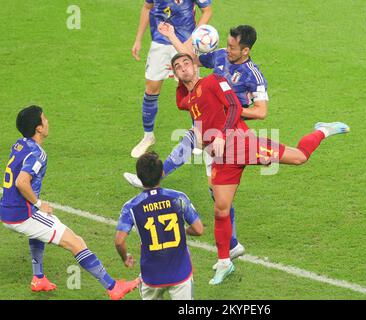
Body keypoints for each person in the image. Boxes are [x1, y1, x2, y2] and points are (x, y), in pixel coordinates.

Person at [170, 53, 350, 285]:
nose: (184, 68)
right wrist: (177, 83)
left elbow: (234, 105)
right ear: (175, 73)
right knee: (220, 210)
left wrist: (223, 136)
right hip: (223, 159)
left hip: (241, 143)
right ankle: (225, 262)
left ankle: (324, 130)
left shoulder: (213, 80)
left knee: (299, 158)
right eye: (178, 67)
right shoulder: (190, 99)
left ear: (195, 66)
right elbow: (179, 102)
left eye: (187, 63)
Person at [124, 25, 267, 263]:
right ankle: (232, 245)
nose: (227, 49)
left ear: (245, 50)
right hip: (209, 127)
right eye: (227, 44)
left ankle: (149, 179)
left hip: (228, 133)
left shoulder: (253, 74)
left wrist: (227, 107)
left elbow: (261, 112)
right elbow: (191, 61)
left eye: (232, 46)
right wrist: (171, 37)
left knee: (216, 188)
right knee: (213, 186)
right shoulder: (221, 55)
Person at [0, 105, 140, 300]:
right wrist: (39, 203)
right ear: (38, 128)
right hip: (22, 214)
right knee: (76, 242)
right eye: (44, 118)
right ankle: (113, 287)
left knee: (42, 226)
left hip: (9, 209)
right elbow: (21, 182)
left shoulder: (19, 144)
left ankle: (38, 278)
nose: (47, 121)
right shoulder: (38, 153)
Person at [115, 151, 204, 300]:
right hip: (180, 273)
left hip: (152, 277)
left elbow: (119, 241)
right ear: (162, 173)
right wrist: (184, 230)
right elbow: (199, 229)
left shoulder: (131, 206)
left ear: (139, 177)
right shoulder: (178, 198)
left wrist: (125, 257)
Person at [130, 0, 213, 158]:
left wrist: (192, 38)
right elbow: (147, 7)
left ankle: (198, 135)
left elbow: (207, 11)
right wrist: (138, 39)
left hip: (185, 44)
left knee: (194, 89)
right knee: (151, 89)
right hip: (160, 43)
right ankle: (148, 137)